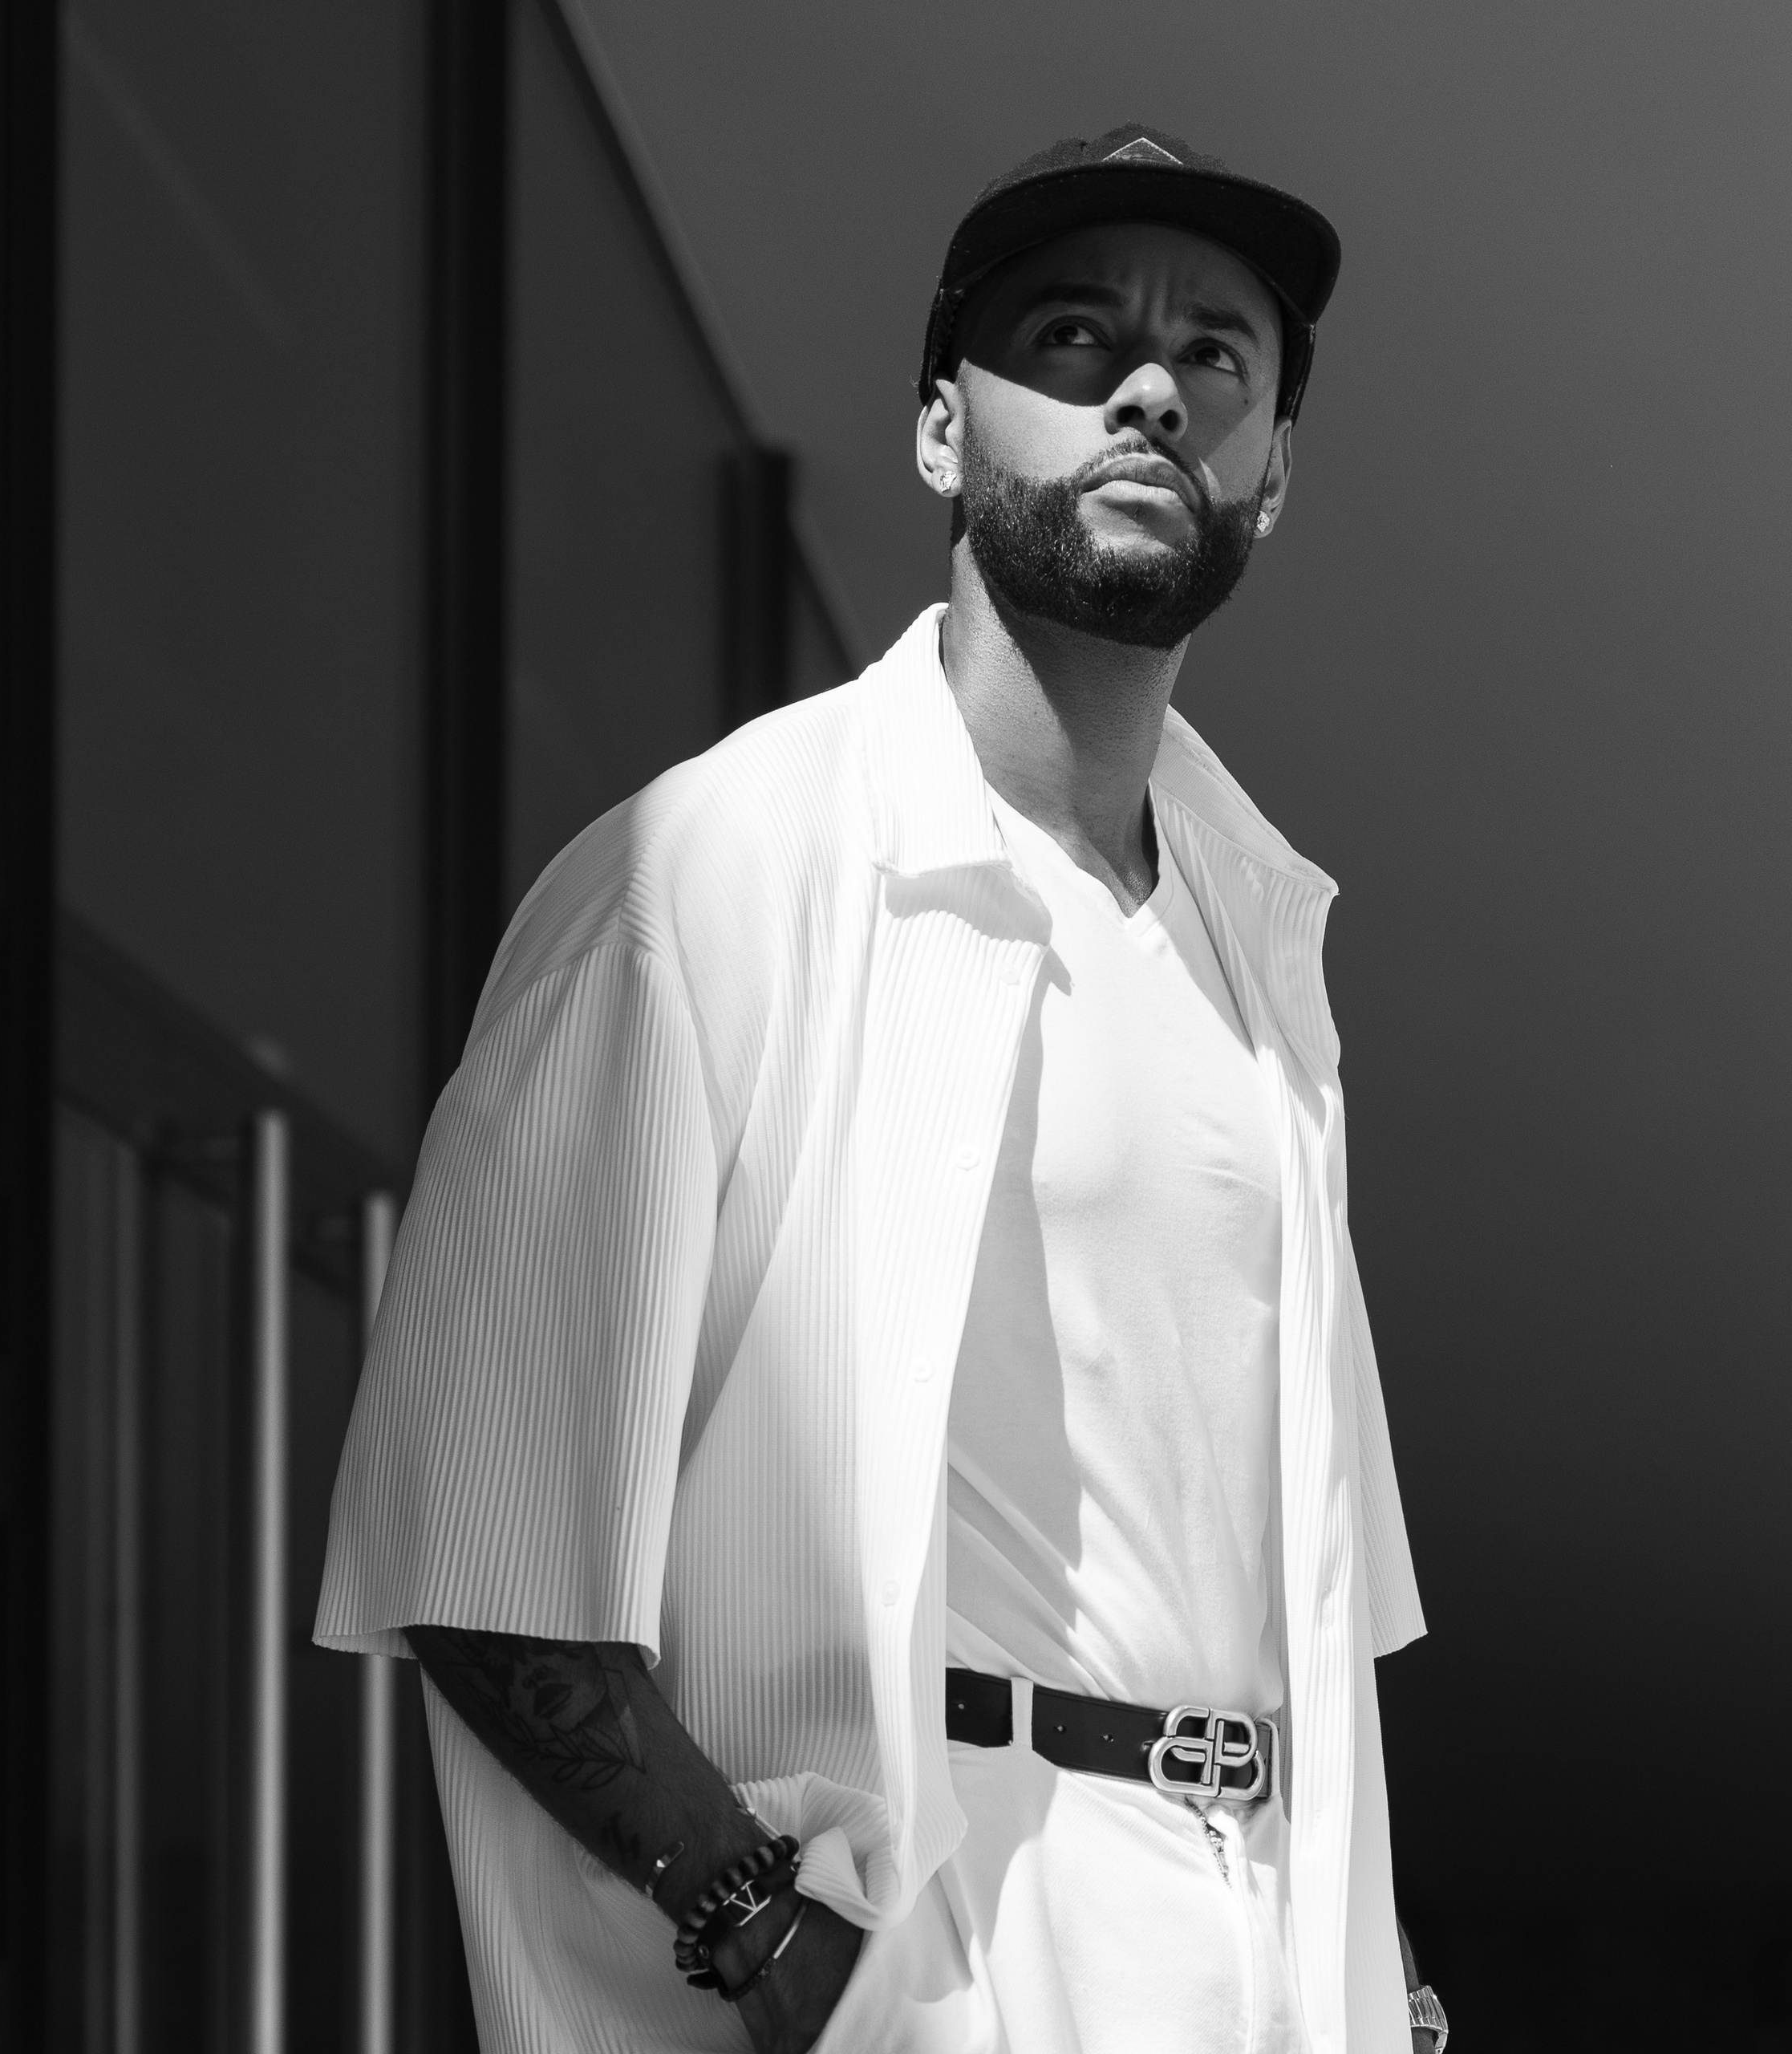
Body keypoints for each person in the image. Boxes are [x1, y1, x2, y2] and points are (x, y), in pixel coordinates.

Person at [317, 124, 1448, 2054]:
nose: (1152, 385)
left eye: (1215, 358)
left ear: (1270, 474)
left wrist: (1376, 1976)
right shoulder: (710, 873)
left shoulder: (1261, 948)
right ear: (939, 431)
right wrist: (791, 1962)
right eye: (1074, 339)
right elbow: (480, 1546)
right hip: (933, 1963)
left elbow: (1292, 1589)